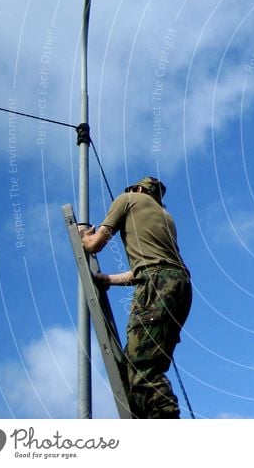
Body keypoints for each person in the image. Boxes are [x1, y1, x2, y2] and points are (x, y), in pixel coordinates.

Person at [79, 176, 192, 419]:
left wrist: (84, 237)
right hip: (179, 288)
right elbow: (145, 268)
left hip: (157, 285)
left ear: (139, 189)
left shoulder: (128, 199)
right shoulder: (166, 218)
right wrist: (108, 279)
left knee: (142, 368)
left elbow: (95, 244)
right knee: (141, 364)